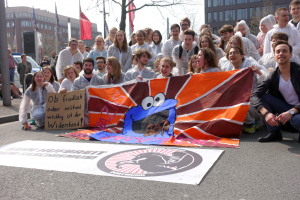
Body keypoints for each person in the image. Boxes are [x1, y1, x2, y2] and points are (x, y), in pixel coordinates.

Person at [251, 40, 300, 142]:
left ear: (290, 54)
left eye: (284, 51)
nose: (281, 53)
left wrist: (291, 112)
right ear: (274, 56)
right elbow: (255, 95)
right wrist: (266, 113)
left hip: (296, 110)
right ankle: (274, 132)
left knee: (296, 120)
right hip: (286, 107)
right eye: (278, 51)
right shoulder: (273, 75)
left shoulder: (298, 71)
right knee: (263, 96)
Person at [225, 46, 269, 133]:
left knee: (240, 104)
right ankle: (245, 120)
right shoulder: (229, 70)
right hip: (243, 101)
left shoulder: (251, 66)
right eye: (230, 53)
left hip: (256, 103)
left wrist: (259, 72)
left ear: (242, 56)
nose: (232, 54)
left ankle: (252, 122)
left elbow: (266, 81)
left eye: (235, 52)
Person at [71, 58, 106, 127]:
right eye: (86, 65)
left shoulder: (100, 81)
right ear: (83, 66)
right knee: (85, 123)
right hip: (82, 111)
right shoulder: (77, 81)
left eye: (90, 65)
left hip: (97, 110)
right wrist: (81, 111)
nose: (88, 67)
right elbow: (74, 98)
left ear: (93, 67)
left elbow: (104, 97)